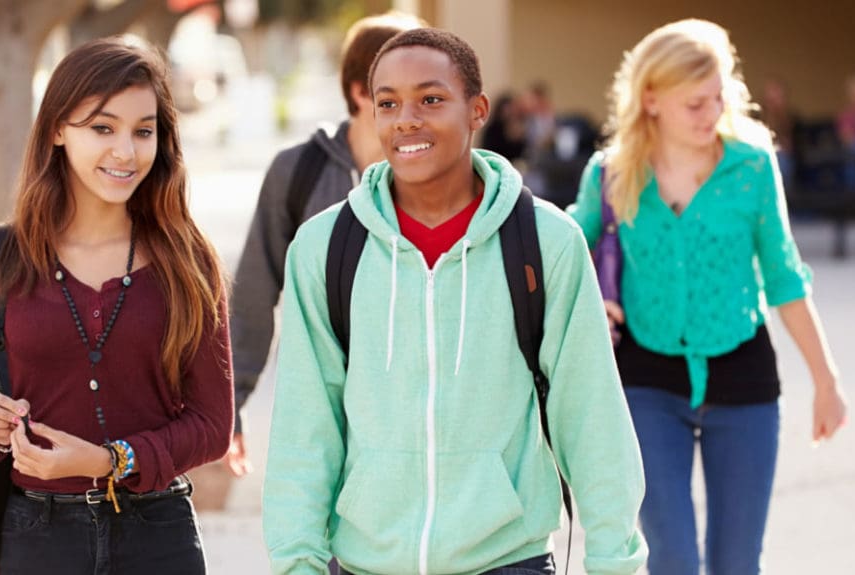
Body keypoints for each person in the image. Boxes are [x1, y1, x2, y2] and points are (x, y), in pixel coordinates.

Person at [263, 28, 647, 575]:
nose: (407, 119)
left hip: (506, 559)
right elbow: (306, 426)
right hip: (366, 562)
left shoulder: (547, 243)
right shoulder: (326, 248)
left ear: (477, 110)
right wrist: (297, 564)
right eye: (388, 103)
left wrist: (615, 561)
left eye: (431, 99)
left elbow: (591, 417)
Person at [0, 37, 234, 575]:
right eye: (102, 128)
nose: (126, 152)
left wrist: (111, 460)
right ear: (57, 131)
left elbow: (212, 423)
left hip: (159, 536)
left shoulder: (189, 263)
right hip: (34, 538)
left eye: (143, 131)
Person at [567, 19, 849, 575]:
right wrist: (591, 300)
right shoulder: (611, 174)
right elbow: (565, 253)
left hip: (744, 381)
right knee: (671, 560)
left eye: (719, 96)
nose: (712, 112)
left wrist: (826, 379)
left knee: (737, 564)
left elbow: (785, 278)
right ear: (651, 100)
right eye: (694, 102)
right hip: (646, 383)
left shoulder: (752, 167)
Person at [226, 11, 425, 477]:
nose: (414, 113)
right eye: (396, 94)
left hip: (416, 409)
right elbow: (255, 292)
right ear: (360, 93)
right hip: (320, 407)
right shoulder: (297, 173)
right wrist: (230, 402)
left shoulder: (435, 175)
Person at [480, 91, 528, 164]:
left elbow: (520, 153)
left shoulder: (518, 127)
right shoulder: (493, 128)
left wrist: (516, 139)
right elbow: (489, 149)